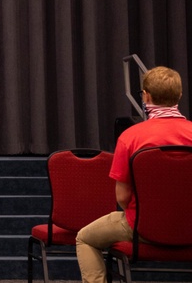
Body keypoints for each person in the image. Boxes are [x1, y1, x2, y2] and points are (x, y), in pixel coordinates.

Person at [75, 65, 192, 283]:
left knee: (85, 239)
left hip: (141, 227)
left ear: (146, 96)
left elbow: (122, 197)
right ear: (180, 95)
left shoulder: (131, 137)